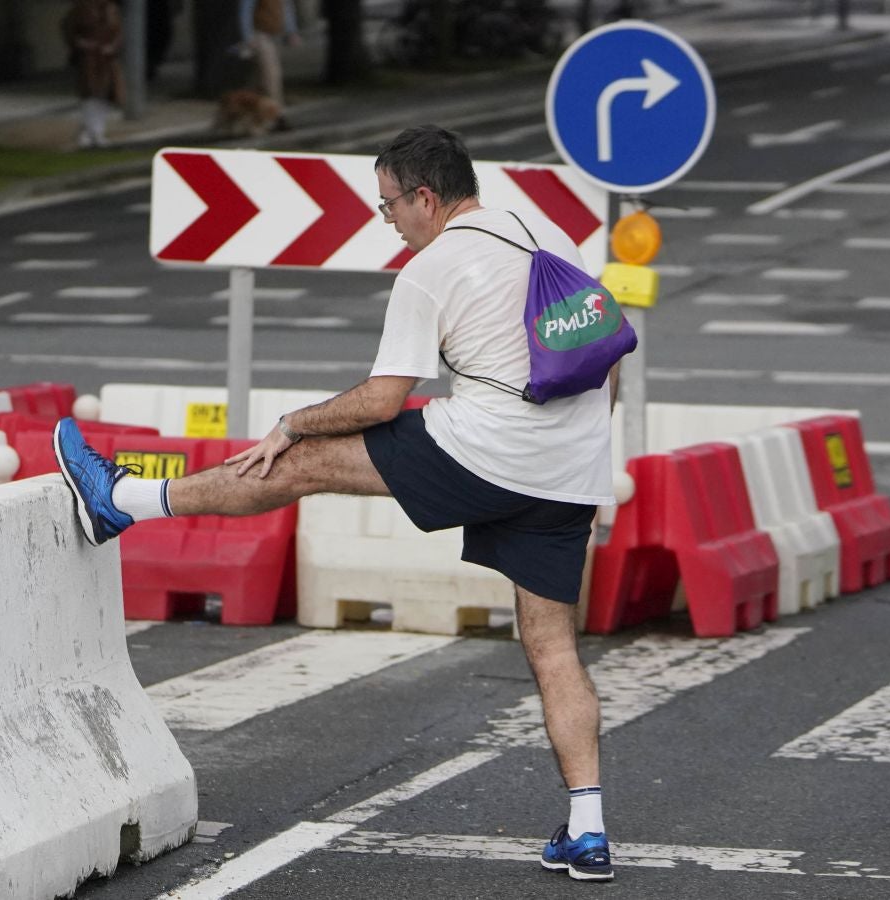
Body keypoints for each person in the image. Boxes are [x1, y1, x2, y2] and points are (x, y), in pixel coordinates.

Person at [53, 125, 621, 883]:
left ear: (425, 197)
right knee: (553, 647)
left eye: (388, 205)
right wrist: (572, 453)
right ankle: (587, 828)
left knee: (299, 463)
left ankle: (121, 500)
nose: (386, 219)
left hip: (490, 448)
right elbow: (599, 352)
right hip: (571, 468)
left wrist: (291, 423)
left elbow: (384, 399)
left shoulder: (432, 268)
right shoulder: (539, 229)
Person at [61, 0, 125, 148]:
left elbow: (118, 32)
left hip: (107, 59)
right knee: (90, 95)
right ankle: (90, 132)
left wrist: (113, 47)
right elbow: (69, 30)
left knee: (105, 95)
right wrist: (81, 44)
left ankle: (96, 131)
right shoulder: (81, 8)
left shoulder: (111, 9)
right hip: (88, 59)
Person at [237, 0, 301, 131]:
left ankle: (246, 114)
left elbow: (286, 9)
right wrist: (248, 38)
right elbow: (245, 12)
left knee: (257, 80)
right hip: (260, 36)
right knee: (271, 77)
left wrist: (291, 31)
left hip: (275, 35)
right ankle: (278, 116)